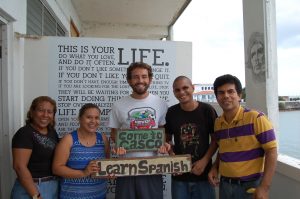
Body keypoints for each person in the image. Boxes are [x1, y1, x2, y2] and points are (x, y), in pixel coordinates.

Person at [208, 74, 278, 199]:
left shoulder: (256, 118)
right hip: (225, 185)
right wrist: (215, 167)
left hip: (250, 187)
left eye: (231, 91)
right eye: (221, 92)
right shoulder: (218, 123)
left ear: (239, 95)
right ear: (217, 97)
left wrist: (264, 187)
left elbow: (271, 151)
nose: (226, 96)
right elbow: (223, 150)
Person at [108, 62, 169, 199]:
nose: (140, 80)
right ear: (129, 80)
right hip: (126, 168)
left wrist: (163, 144)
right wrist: (119, 145)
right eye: (135, 77)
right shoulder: (118, 105)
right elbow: (114, 133)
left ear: (150, 79)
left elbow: (161, 131)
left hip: (152, 167)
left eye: (144, 76)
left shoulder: (160, 103)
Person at [165, 76, 217, 199]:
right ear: (173, 92)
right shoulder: (171, 112)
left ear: (193, 88)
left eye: (185, 88)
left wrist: (205, 161)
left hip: (204, 175)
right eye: (177, 90)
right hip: (179, 177)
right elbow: (166, 139)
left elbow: (216, 140)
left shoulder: (207, 110)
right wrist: (172, 157)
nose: (181, 92)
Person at [52, 103, 110, 199]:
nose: (93, 121)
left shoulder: (103, 138)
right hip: (72, 196)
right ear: (79, 119)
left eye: (96, 118)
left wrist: (110, 172)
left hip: (99, 195)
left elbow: (107, 164)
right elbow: (57, 168)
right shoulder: (69, 139)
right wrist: (84, 173)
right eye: (89, 117)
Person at [11, 96, 59, 199]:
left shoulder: (52, 133)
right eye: (41, 110)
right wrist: (36, 195)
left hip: (52, 186)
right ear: (32, 112)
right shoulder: (24, 133)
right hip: (31, 188)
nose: (45, 115)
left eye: (49, 111)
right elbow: (19, 167)